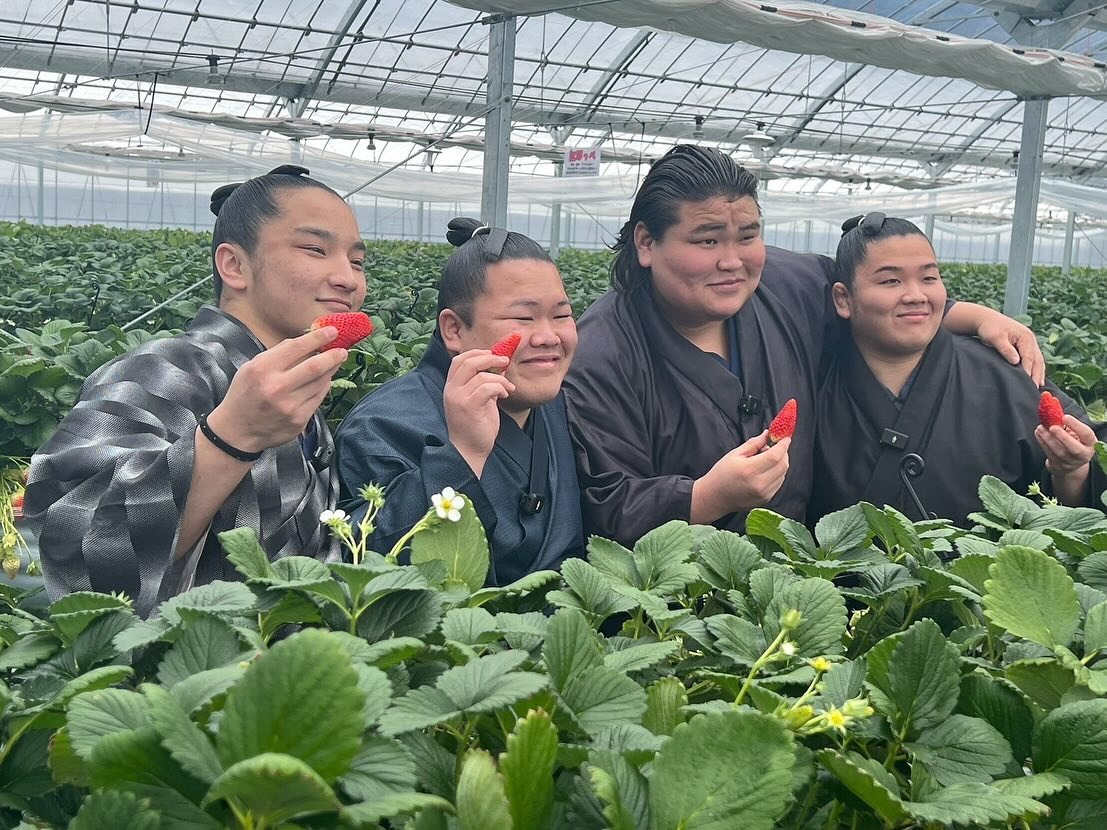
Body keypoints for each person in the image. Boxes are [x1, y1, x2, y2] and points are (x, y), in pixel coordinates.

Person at [563, 145, 1047, 547]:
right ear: (647, 243)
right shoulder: (603, 352)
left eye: (747, 236)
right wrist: (706, 497)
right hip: (680, 605)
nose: (733, 261)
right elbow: (602, 504)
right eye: (707, 241)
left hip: (799, 579)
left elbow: (869, 296)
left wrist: (976, 317)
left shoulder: (786, 284)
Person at [25, 165, 365, 616]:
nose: (348, 278)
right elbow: (75, 546)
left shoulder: (299, 397)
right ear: (235, 266)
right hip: (192, 657)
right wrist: (229, 438)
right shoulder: (163, 370)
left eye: (357, 261)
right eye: (315, 249)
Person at [809, 213, 1105, 527]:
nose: (916, 295)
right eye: (891, 281)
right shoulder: (811, 380)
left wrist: (1072, 471)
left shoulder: (1005, 376)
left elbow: (1074, 513)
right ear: (843, 298)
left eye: (929, 278)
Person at [336, 218, 584, 585]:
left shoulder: (556, 403)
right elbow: (362, 566)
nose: (549, 336)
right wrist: (462, 455)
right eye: (523, 317)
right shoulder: (380, 426)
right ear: (454, 329)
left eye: (562, 315)